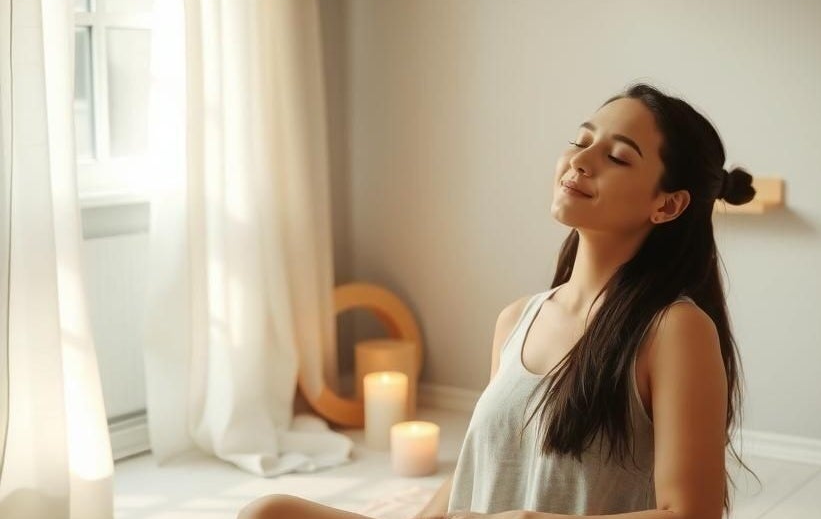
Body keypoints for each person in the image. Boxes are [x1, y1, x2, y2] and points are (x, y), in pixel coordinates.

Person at [237, 83, 759, 519]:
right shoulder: (516, 320)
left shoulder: (675, 330)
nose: (580, 160)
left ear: (667, 205)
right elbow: (477, 471)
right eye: (580, 141)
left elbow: (691, 514)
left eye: (617, 156)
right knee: (268, 512)